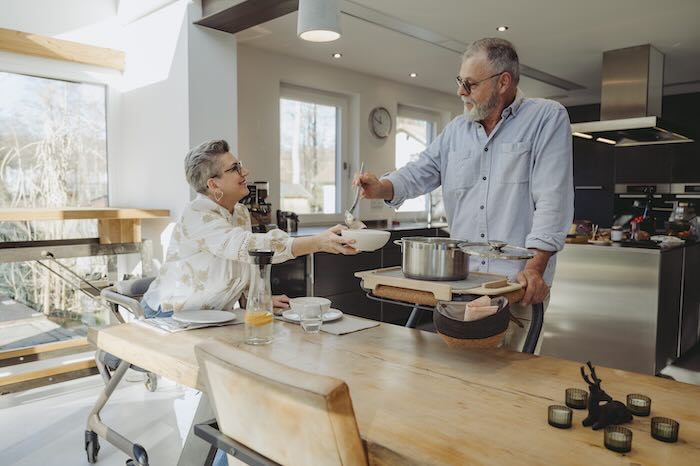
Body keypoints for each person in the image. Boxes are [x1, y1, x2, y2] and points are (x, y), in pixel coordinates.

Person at [356, 38, 574, 352]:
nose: (461, 92)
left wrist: (535, 269)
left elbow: (553, 199)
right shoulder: (456, 131)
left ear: (503, 82)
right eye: (460, 82)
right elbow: (420, 170)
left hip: (516, 285)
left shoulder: (546, 119)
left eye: (470, 84)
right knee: (458, 377)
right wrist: (381, 187)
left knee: (511, 382)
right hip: (461, 284)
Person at [142, 139, 358, 317]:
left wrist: (255, 301)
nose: (245, 171)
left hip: (213, 317)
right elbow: (247, 247)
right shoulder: (197, 215)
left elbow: (242, 261)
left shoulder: (240, 213)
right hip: (170, 314)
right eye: (235, 168)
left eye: (240, 165)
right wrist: (317, 242)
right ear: (213, 184)